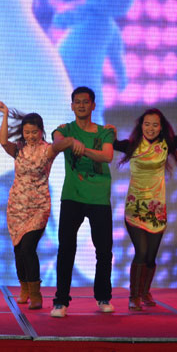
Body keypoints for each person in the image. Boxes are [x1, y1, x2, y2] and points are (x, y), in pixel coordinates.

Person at [109, 105, 177, 310]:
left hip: (156, 209)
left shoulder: (165, 145)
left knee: (151, 256)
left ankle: (145, 291)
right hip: (135, 208)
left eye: (154, 125)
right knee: (141, 252)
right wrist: (112, 135)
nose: (150, 128)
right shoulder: (132, 146)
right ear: (141, 126)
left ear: (161, 128)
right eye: (147, 124)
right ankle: (134, 296)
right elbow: (112, 144)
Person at [0, 101, 74, 310]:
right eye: (27, 132)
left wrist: (69, 137)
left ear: (41, 131)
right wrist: (5, 114)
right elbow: (3, 141)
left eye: (34, 132)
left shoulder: (47, 150)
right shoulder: (19, 149)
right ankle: (24, 289)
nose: (30, 136)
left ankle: (35, 294)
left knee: (28, 248)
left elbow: (59, 146)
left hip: (38, 207)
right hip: (16, 206)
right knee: (18, 250)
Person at [50, 86, 115, 318]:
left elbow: (107, 156)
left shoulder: (105, 132)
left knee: (104, 250)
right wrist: (69, 141)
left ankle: (103, 297)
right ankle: (61, 301)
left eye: (85, 102)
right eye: (77, 102)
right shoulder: (65, 129)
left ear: (93, 105)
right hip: (72, 196)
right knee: (66, 249)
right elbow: (55, 144)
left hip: (99, 197)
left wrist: (83, 149)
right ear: (72, 106)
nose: (81, 105)